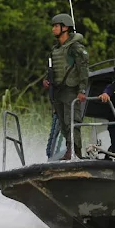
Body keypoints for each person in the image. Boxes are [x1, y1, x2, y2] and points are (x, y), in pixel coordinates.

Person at [43, 13, 89, 160]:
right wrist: (46, 80)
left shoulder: (75, 48)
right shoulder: (55, 49)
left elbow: (83, 70)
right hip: (58, 91)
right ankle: (70, 149)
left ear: (65, 27)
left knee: (72, 121)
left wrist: (82, 89)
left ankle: (75, 151)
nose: (53, 29)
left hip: (71, 90)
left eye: (56, 26)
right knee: (63, 123)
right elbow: (53, 69)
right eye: (53, 26)